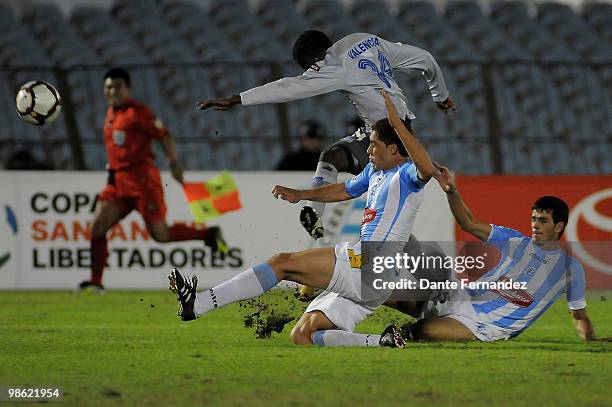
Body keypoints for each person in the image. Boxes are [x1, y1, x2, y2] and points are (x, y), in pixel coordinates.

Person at [170, 91, 436, 347]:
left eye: (373, 144)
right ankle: (382, 341)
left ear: (392, 148)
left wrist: (397, 124)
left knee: (282, 263)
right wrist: (302, 194)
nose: (367, 150)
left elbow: (427, 168)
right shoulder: (374, 172)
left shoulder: (407, 175)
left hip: (372, 266)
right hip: (365, 267)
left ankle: (200, 303)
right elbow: (344, 189)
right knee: (303, 335)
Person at [198, 30, 456, 240]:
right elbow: (424, 58)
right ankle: (313, 213)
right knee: (332, 159)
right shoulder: (366, 41)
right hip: (382, 132)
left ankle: (391, 278)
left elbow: (289, 87)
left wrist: (238, 99)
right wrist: (440, 95)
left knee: (384, 212)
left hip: (395, 139)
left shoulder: (332, 68)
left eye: (309, 67)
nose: (311, 72)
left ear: (317, 59)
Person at [386, 165, 597, 342]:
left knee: (423, 331)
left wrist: (591, 341)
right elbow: (469, 223)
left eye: (543, 221)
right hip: (462, 296)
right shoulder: (515, 241)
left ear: (559, 226)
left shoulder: (570, 269)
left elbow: (578, 315)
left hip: (487, 325)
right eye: (534, 219)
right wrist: (452, 191)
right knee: (389, 294)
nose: (535, 225)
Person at [78, 68, 227, 292]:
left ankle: (208, 234)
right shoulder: (111, 112)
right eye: (108, 87)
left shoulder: (139, 113)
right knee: (97, 229)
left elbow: (164, 135)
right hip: (117, 183)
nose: (112, 91)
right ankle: (95, 283)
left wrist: (174, 162)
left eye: (117, 86)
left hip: (143, 183)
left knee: (161, 235)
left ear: (127, 89)